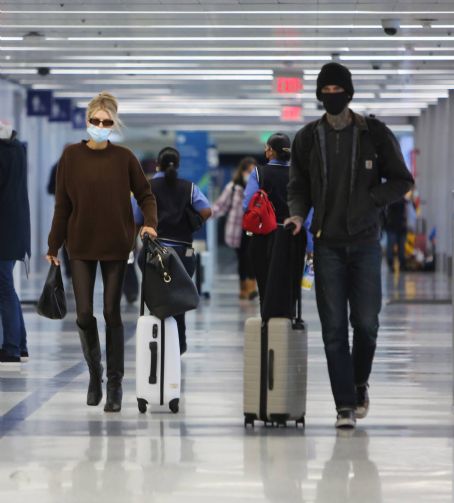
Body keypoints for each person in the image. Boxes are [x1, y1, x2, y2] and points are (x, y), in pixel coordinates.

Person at [286, 62, 414, 428]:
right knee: (333, 329)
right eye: (325, 93)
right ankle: (344, 405)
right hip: (326, 246)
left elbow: (401, 180)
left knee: (367, 323)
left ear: (349, 93)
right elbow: (297, 187)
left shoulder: (373, 133)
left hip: (365, 242)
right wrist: (297, 215)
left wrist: (371, 199)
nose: (331, 98)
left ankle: (358, 384)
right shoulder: (308, 138)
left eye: (336, 92)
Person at [46, 92, 158, 412]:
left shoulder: (124, 158)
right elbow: (62, 206)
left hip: (115, 244)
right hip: (79, 244)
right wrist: (53, 245)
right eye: (95, 121)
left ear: (114, 124)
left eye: (106, 122)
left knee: (111, 311)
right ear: (87, 121)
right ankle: (95, 375)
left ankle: (115, 384)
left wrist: (149, 223)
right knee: (83, 313)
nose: (99, 125)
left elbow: (146, 194)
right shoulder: (70, 157)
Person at [135, 147, 211, 355]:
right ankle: (179, 342)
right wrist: (193, 221)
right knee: (179, 297)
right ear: (177, 165)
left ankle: (158, 343)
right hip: (183, 252)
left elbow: (135, 218)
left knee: (156, 297)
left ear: (157, 164)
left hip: (154, 251)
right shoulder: (189, 187)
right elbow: (206, 210)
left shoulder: (147, 187)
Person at [243, 133, 312, 320]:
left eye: (267, 147)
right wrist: (310, 246)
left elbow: (247, 204)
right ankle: (288, 322)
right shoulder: (300, 175)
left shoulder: (259, 173)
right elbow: (308, 212)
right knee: (290, 286)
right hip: (294, 236)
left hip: (265, 236)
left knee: (266, 286)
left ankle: (267, 326)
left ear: (271, 152)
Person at [0, 120, 31, 367]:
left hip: (3, 232)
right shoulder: (18, 148)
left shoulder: (3, 153)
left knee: (5, 288)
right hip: (14, 231)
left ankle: (11, 347)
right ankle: (19, 344)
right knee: (7, 287)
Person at [212, 156, 258, 300]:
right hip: (237, 229)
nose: (249, 174)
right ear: (242, 171)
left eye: (252, 171)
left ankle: (251, 288)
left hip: (254, 228)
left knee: (252, 257)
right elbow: (220, 206)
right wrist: (205, 214)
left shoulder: (259, 186)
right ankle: (243, 288)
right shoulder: (232, 187)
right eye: (247, 171)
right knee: (242, 258)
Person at [47, 150, 72, 279]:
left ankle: (70, 270)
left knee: (66, 239)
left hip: (64, 209)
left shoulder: (56, 167)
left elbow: (50, 188)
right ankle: (72, 268)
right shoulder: (80, 166)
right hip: (73, 210)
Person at [384, 196, 408, 272]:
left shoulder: (403, 200)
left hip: (399, 227)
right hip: (393, 227)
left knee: (400, 248)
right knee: (393, 247)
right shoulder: (391, 199)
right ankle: (393, 264)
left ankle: (400, 264)